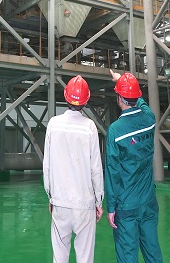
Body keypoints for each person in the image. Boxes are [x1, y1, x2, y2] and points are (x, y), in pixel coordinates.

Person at [43, 75, 104, 263]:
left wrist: (51, 196)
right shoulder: (89, 127)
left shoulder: (53, 124)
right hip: (85, 204)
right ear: (86, 100)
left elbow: (47, 166)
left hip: (60, 202)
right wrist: (99, 201)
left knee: (59, 256)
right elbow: (96, 168)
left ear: (65, 96)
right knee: (85, 257)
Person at [105, 70, 163, 263]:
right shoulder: (149, 120)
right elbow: (143, 104)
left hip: (126, 205)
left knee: (127, 255)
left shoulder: (115, 130)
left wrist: (111, 207)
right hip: (148, 201)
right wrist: (124, 82)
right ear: (136, 97)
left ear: (120, 97)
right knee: (152, 252)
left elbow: (112, 172)